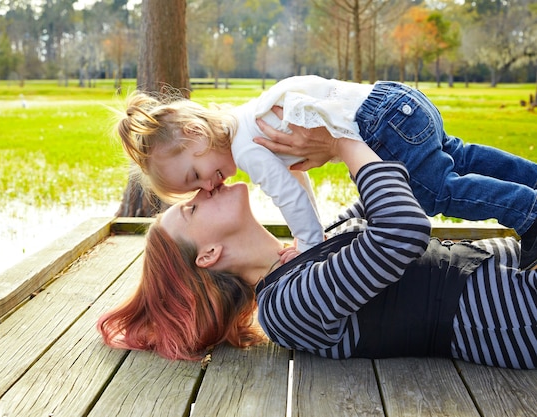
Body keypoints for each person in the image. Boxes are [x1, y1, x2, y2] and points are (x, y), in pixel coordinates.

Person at [98, 124, 537, 370]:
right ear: (208, 255)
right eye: (190, 210)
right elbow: (402, 232)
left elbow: (394, 188)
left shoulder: (308, 246)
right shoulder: (285, 308)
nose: (201, 193)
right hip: (519, 313)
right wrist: (345, 144)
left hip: (516, 267)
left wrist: (315, 142)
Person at [116, 76, 537, 269]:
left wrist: (309, 244)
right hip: (393, 100)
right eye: (196, 191)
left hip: (375, 126)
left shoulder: (249, 146)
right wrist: (313, 224)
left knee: (434, 192)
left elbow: (290, 196)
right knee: (458, 159)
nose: (209, 186)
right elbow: (298, 180)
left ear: (195, 134)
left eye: (195, 177)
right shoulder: (249, 116)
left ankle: (529, 215)